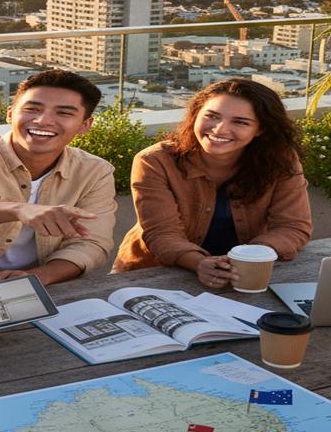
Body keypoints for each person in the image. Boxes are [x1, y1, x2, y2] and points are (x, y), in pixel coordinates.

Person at [0, 70, 117, 285]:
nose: (43, 121)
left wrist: (35, 278)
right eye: (32, 109)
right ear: (10, 114)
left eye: (64, 113)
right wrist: (21, 210)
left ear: (84, 125)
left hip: (40, 287)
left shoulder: (95, 171)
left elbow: (92, 243)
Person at [113, 78, 312, 287]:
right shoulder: (155, 161)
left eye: (240, 122)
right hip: (151, 275)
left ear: (261, 129)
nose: (219, 129)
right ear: (195, 115)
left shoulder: (280, 161)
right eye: (211, 116)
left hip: (243, 276)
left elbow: (293, 226)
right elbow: (162, 233)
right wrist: (200, 263)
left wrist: (248, 258)